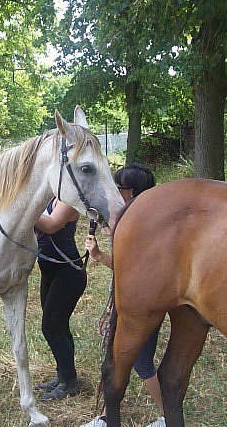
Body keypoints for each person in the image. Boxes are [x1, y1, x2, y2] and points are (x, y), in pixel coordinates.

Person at [82, 163, 164, 427]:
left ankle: (168, 415)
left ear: (132, 192)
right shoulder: (146, 219)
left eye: (119, 187)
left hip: (142, 303)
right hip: (130, 300)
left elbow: (129, 269)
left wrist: (99, 255)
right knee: (116, 358)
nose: (114, 190)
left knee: (141, 362)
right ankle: (107, 416)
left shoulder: (143, 225)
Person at [34, 199, 85, 400]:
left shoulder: (69, 200)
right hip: (49, 271)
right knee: (59, 326)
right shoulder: (49, 197)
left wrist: (23, 208)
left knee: (51, 327)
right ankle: (63, 375)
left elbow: (51, 225)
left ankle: (69, 383)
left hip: (68, 273)